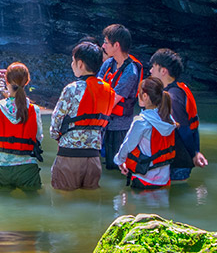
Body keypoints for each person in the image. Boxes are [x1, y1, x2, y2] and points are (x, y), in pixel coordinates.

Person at [48, 41, 114, 191]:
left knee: (63, 203)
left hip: (69, 156)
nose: (72, 65)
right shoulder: (108, 90)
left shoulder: (72, 89)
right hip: (93, 158)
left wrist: (55, 136)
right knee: (91, 204)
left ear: (80, 64)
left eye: (73, 61)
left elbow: (56, 120)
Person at [148, 48, 207, 181]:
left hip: (178, 160)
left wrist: (194, 155)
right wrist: (196, 151)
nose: (150, 71)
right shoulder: (179, 89)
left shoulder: (172, 97)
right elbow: (194, 126)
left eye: (153, 67)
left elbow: (185, 130)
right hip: (180, 158)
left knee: (173, 194)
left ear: (163, 71)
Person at [0, 63, 43, 191]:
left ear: (6, 81)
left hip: (2, 169)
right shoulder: (34, 109)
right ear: (27, 82)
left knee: (0, 208)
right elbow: (38, 137)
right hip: (27, 170)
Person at [113, 79, 178, 190]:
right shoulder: (169, 119)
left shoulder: (141, 122)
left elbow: (128, 146)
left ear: (145, 96)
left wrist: (119, 161)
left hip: (144, 179)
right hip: (164, 180)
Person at [98, 24, 143, 171]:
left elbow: (114, 99)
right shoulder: (109, 63)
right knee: (105, 164)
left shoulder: (131, 71)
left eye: (105, 42)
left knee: (115, 166)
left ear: (116, 45)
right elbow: (97, 85)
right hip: (105, 122)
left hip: (119, 126)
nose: (103, 46)